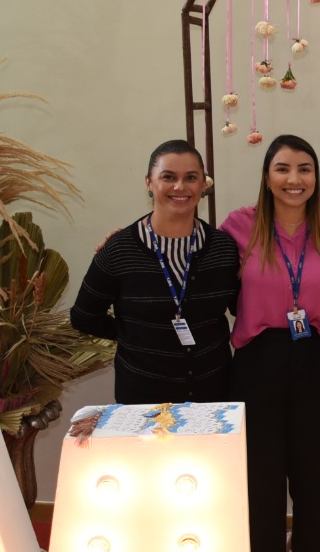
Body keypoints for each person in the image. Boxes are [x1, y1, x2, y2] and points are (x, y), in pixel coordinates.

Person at [221, 135, 320, 552]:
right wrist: (129, 235)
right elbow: (188, 250)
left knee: (313, 483)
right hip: (257, 362)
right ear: (267, 175)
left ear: (315, 177)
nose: (294, 179)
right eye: (282, 169)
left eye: (304, 169)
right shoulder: (238, 227)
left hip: (318, 361)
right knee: (264, 484)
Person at [71, 140, 239, 404]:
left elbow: (242, 307)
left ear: (202, 185)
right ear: (149, 182)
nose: (180, 187)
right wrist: (131, 335)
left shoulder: (223, 248)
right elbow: (83, 316)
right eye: (168, 177)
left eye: (191, 178)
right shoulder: (120, 250)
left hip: (213, 398)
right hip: (142, 400)